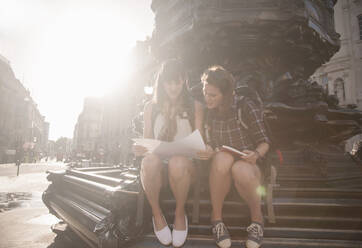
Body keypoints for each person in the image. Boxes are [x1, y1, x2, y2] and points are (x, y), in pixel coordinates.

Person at [132, 59, 203, 247]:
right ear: (162, 83)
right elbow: (147, 142)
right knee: (149, 161)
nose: (173, 87)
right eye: (169, 82)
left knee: (178, 161)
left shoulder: (195, 106)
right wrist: (140, 148)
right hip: (159, 171)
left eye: (177, 82)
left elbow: (200, 142)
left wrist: (204, 150)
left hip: (186, 168)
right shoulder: (151, 107)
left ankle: (180, 213)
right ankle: (157, 214)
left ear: (184, 81)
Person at [198, 65, 270, 248]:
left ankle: (257, 220)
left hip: (248, 163)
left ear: (226, 94)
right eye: (205, 92)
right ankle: (217, 221)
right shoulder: (209, 111)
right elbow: (212, 142)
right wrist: (208, 149)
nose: (207, 98)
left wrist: (256, 154)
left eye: (212, 95)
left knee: (240, 168)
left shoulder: (245, 106)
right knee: (222, 158)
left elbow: (265, 142)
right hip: (221, 165)